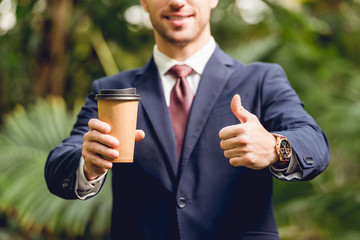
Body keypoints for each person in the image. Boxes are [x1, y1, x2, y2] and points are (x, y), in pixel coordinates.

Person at [45, 0, 330, 239]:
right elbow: (59, 166)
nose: (178, 2)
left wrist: (274, 146)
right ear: (144, 1)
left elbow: (315, 144)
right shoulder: (113, 91)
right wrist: (88, 164)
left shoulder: (261, 79)